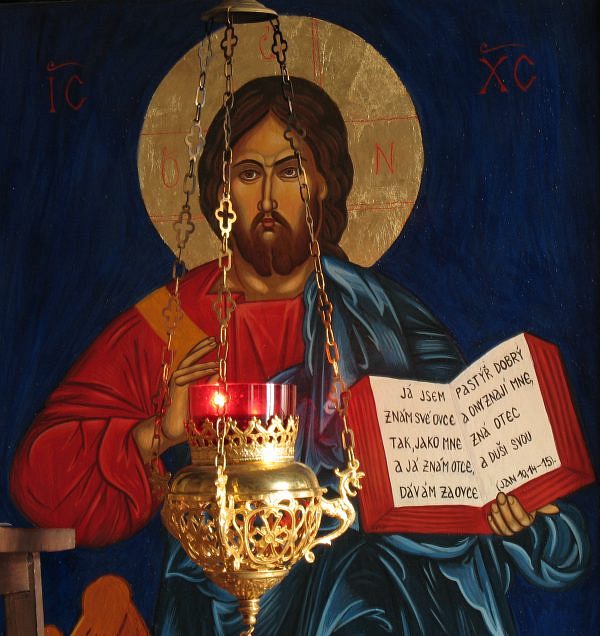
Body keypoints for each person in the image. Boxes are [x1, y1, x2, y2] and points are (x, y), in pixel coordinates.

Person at [11, 77, 589, 635]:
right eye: (248, 174)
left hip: (384, 587)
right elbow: (41, 479)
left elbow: (469, 444)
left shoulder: (385, 314)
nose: (267, 198)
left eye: (289, 171)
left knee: (363, 579)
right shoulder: (177, 320)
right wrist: (158, 434)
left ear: (323, 184)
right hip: (229, 591)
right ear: (222, 192)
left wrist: (516, 515)